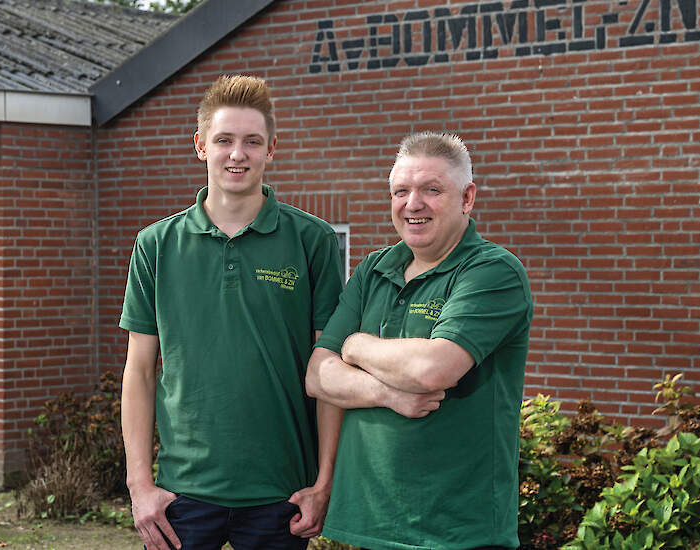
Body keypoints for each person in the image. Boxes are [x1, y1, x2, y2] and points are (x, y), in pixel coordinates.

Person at [119, 74, 344, 550]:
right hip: (182, 493)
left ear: (271, 148)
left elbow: (329, 371)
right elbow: (138, 371)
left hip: (280, 492)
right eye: (224, 140)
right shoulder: (155, 245)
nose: (237, 154)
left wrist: (324, 481)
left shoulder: (313, 241)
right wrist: (140, 486)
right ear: (200, 145)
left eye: (251, 141)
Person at [306, 132, 533, 550]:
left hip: (456, 532)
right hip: (367, 522)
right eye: (401, 191)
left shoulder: (492, 272)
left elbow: (434, 369)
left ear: (467, 198)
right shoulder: (374, 268)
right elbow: (318, 376)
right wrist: (387, 393)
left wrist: (355, 347)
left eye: (432, 190)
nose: (413, 204)